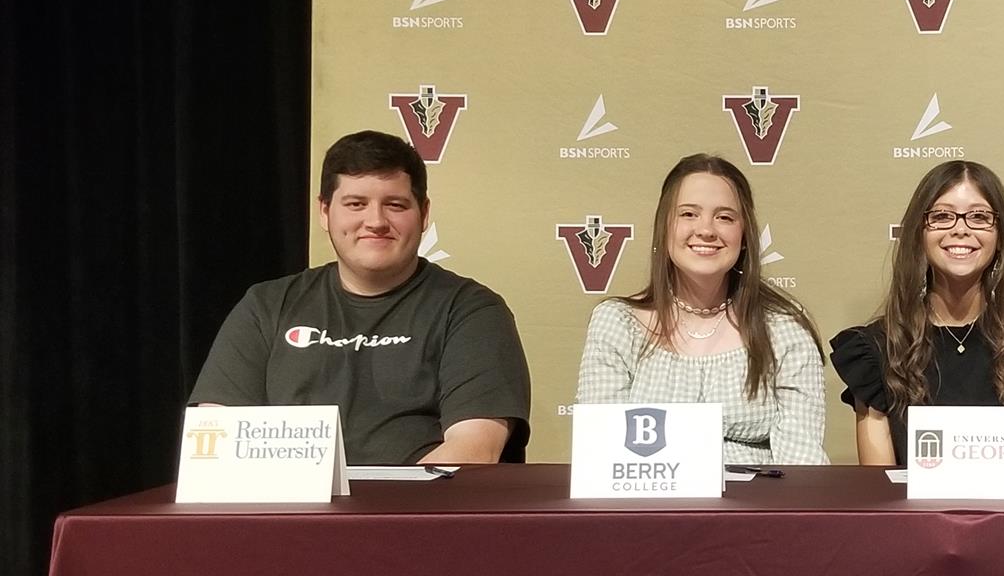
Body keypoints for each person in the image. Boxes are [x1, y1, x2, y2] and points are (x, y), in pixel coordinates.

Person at [190, 130, 530, 465]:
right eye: (356, 204)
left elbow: (474, 453)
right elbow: (214, 446)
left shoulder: (472, 311)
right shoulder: (265, 307)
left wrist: (371, 516)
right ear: (324, 212)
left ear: (424, 214)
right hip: (289, 514)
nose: (376, 221)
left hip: (416, 517)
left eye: (395, 205)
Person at [576, 153, 825, 464]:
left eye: (724, 217)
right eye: (689, 214)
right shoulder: (616, 322)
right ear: (664, 228)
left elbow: (802, 466)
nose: (706, 230)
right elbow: (601, 455)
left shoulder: (784, 329)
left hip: (757, 508)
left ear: (744, 236)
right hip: (648, 508)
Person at [830, 161, 1004, 467]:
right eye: (942, 216)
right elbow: (881, 487)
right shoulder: (875, 350)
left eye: (979, 217)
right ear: (918, 233)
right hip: (915, 516)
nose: (960, 229)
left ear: (1000, 236)